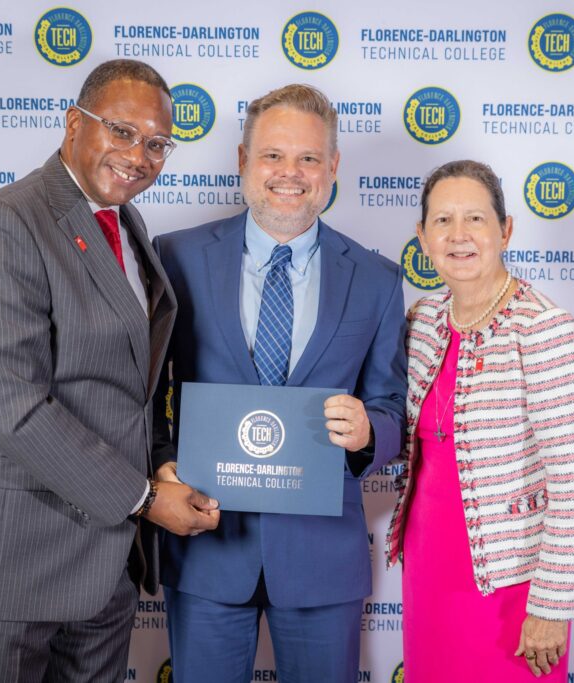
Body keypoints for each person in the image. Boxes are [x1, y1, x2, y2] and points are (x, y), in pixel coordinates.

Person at [0, 59, 219, 682]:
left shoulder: (126, 224)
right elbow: (6, 405)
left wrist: (160, 459)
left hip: (102, 567)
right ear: (75, 124)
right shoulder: (6, 223)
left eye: (156, 144)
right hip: (3, 557)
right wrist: (144, 498)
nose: (138, 155)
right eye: (122, 132)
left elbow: (128, 380)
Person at [151, 84, 406, 683]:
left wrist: (370, 431)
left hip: (322, 557)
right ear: (242, 161)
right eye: (272, 156)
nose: (289, 173)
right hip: (206, 545)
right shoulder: (175, 257)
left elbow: (392, 405)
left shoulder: (377, 279)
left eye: (309, 159)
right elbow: (142, 393)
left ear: (333, 168)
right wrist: (161, 462)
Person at [386, 160, 574, 681]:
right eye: (442, 221)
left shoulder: (545, 329)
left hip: (511, 579)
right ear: (422, 235)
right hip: (428, 560)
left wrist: (551, 607)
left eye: (476, 219)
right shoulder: (422, 318)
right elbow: (413, 437)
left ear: (505, 230)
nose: (458, 236)